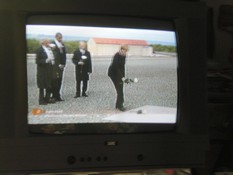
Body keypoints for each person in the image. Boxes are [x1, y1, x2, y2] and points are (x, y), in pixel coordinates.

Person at [108, 45, 129, 111]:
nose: (124, 53)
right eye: (123, 51)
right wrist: (121, 78)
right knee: (120, 91)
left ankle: (117, 105)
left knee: (120, 89)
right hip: (113, 74)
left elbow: (122, 67)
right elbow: (117, 68)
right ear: (121, 49)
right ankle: (120, 106)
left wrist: (124, 77)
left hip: (119, 74)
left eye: (125, 51)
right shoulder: (116, 56)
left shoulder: (124, 56)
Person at [36, 39, 56, 105]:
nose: (49, 43)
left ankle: (47, 99)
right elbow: (37, 61)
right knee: (41, 86)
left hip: (49, 69)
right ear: (44, 43)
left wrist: (52, 61)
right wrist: (46, 60)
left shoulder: (49, 49)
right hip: (42, 71)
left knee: (49, 85)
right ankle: (41, 101)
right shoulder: (40, 50)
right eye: (48, 42)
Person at [50, 33, 67, 101]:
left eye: (61, 37)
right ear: (56, 37)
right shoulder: (52, 44)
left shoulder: (62, 45)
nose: (60, 39)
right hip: (54, 67)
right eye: (59, 38)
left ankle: (58, 96)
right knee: (54, 81)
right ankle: (53, 95)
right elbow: (53, 56)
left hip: (61, 67)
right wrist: (57, 64)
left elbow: (64, 56)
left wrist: (63, 64)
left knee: (59, 81)